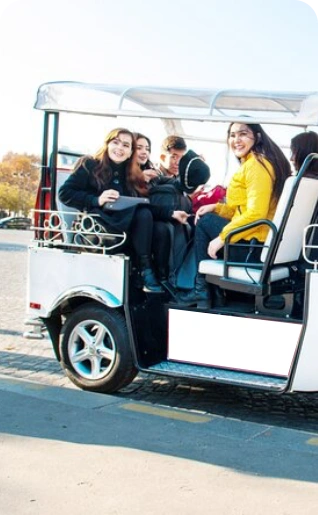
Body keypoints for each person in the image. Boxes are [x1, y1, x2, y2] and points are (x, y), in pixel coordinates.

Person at [58, 127, 189, 293]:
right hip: (99, 226)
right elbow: (65, 194)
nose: (120, 148)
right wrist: (96, 199)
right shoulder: (90, 164)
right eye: (116, 142)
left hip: (123, 224)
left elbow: (141, 204)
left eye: (126, 145)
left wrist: (171, 214)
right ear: (107, 144)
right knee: (143, 214)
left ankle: (162, 277)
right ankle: (145, 270)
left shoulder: (130, 174)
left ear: (130, 152)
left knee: (160, 228)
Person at [177, 121, 291, 308]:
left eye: (243, 134)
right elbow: (241, 209)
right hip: (256, 244)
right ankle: (212, 293)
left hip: (252, 250)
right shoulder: (255, 162)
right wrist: (216, 207)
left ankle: (202, 291)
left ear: (257, 136)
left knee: (204, 223)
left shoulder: (257, 166)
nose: (236, 140)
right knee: (208, 217)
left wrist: (222, 238)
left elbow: (255, 214)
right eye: (232, 135)